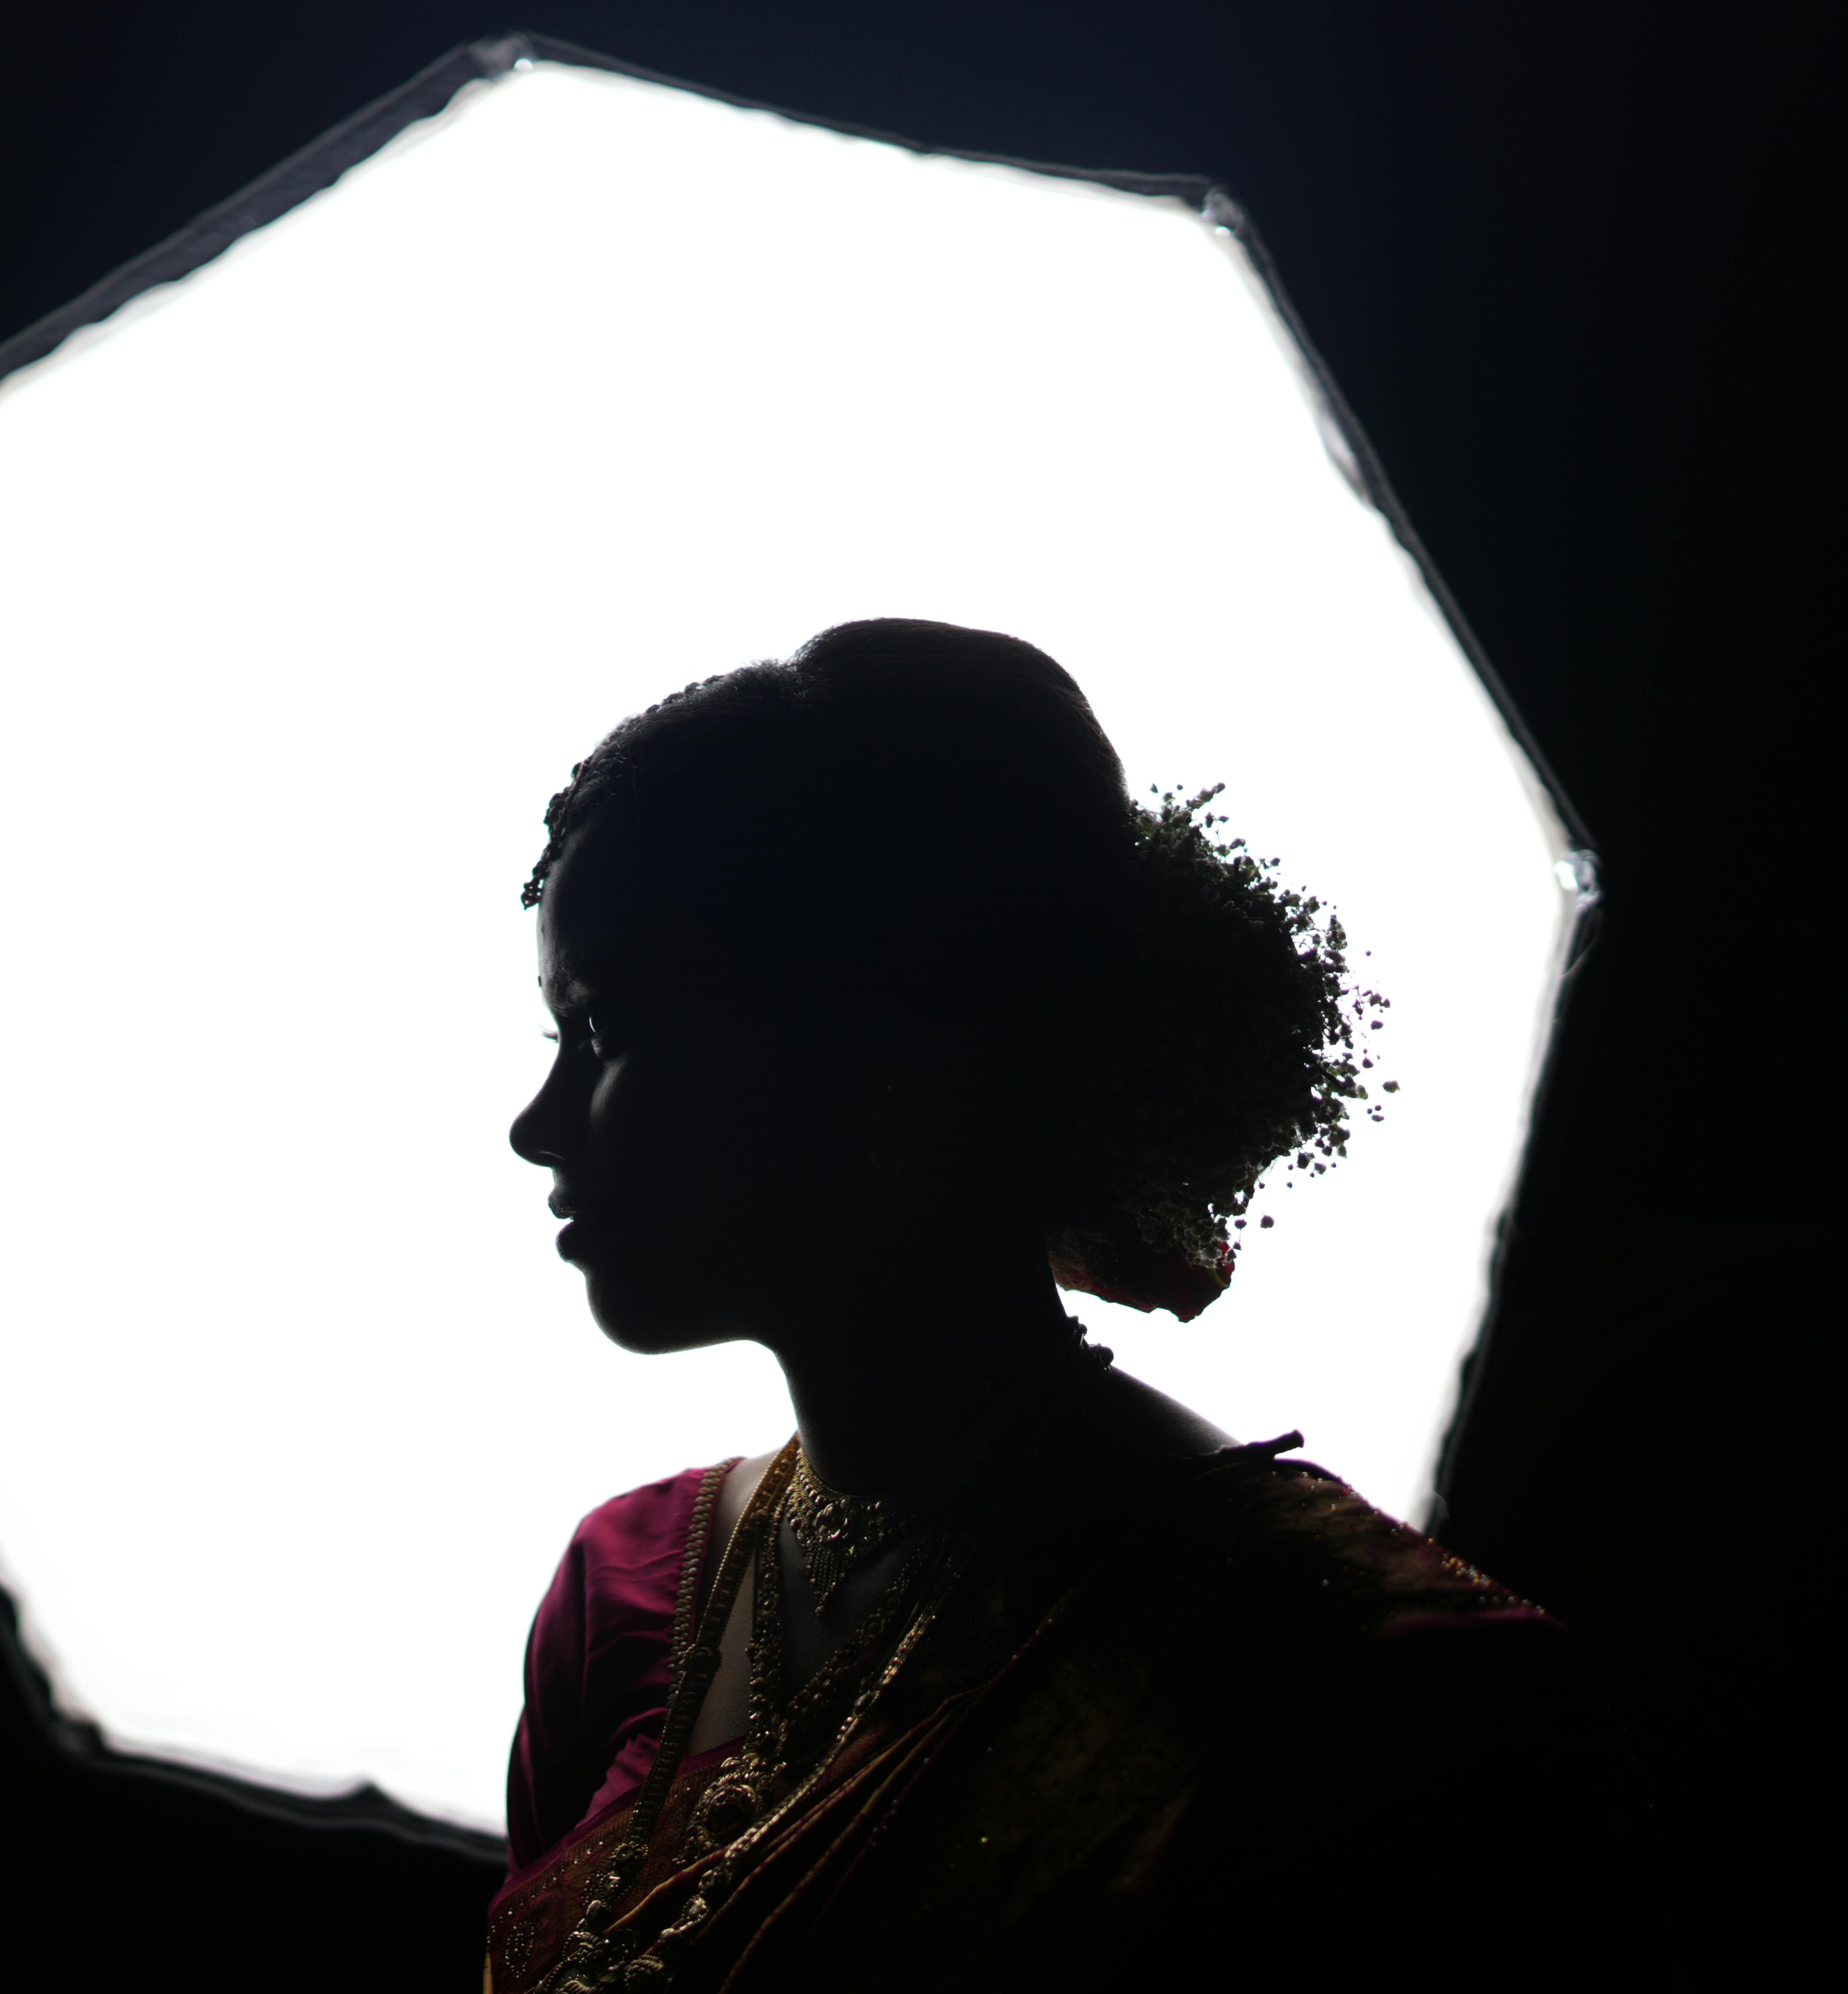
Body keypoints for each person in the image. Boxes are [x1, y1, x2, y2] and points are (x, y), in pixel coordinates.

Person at [486, 621, 1573, 1992]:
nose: (535, 1128)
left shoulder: (1366, 1694)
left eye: (609, 1024)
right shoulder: (630, 1594)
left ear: (890, 1029)